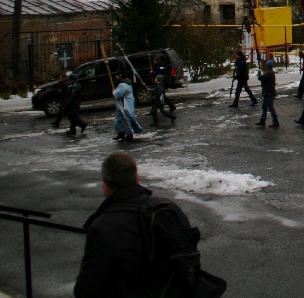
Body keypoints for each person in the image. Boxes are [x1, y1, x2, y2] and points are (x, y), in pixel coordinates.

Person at [74, 152, 224, 298]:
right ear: (137, 178)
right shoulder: (168, 209)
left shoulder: (102, 227)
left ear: (105, 187)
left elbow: (87, 289)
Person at [254, 55, 279, 127]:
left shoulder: (269, 73)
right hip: (268, 93)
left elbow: (260, 78)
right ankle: (262, 120)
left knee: (270, 107)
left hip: (269, 93)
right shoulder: (271, 72)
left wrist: (259, 72)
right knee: (264, 107)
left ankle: (275, 121)